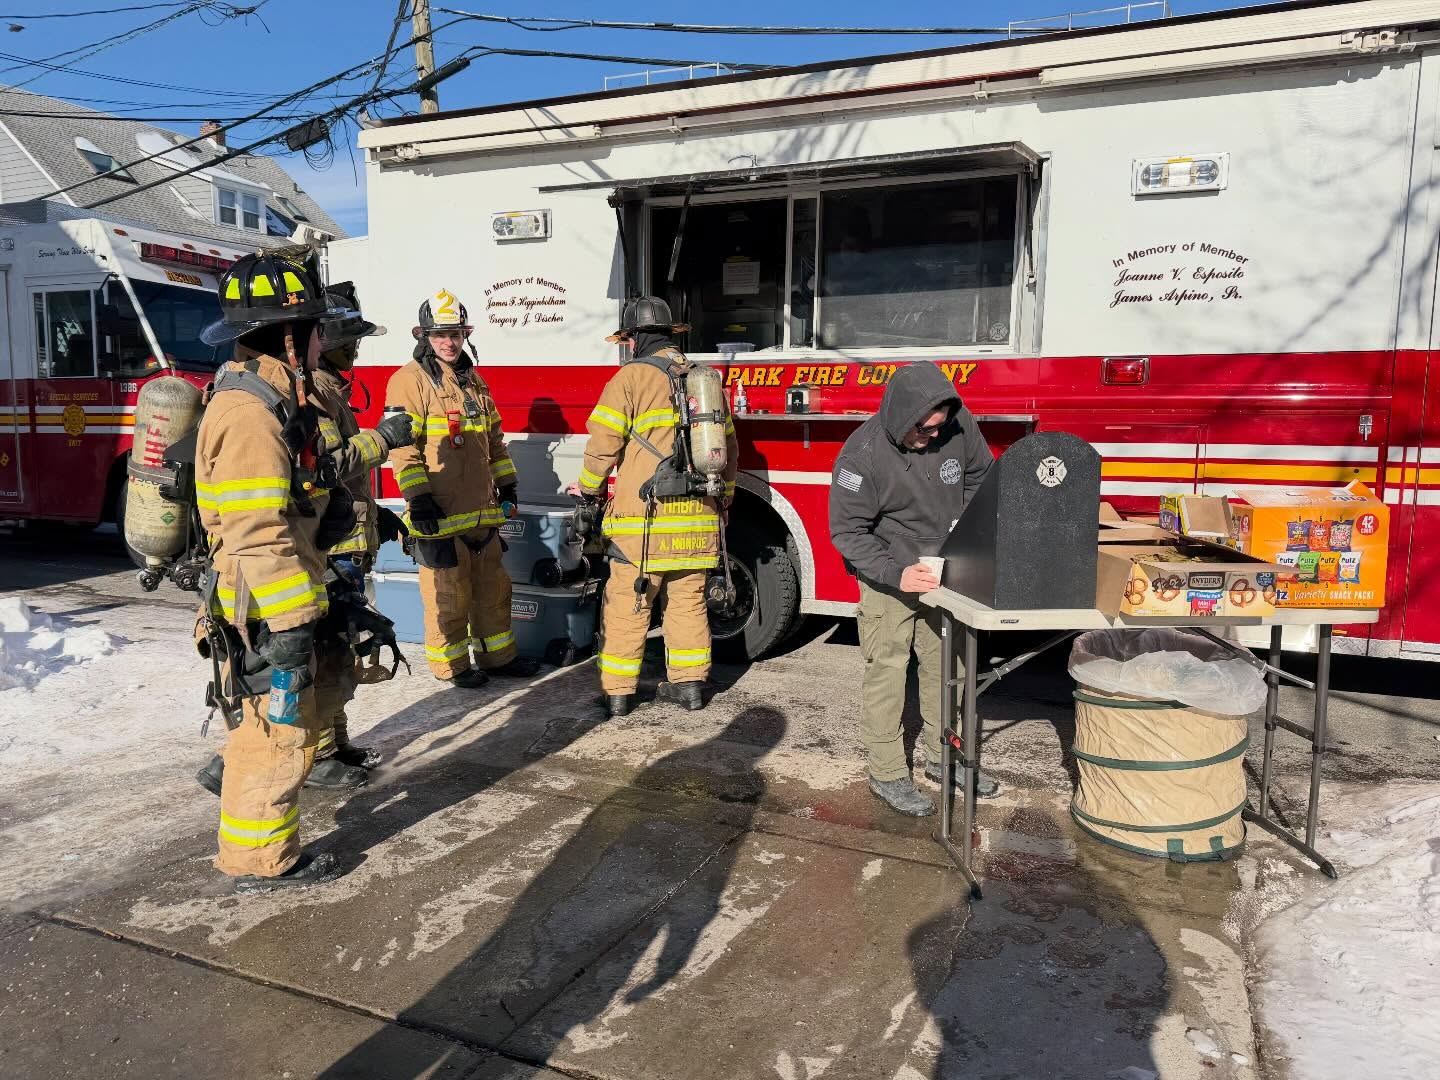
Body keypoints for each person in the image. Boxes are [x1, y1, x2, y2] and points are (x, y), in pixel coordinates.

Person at [192, 252, 404, 892]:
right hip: (265, 607)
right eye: (317, 326)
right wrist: (288, 622)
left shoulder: (285, 396)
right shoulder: (251, 413)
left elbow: (309, 486)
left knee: (295, 721)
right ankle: (257, 861)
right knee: (273, 735)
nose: (326, 338)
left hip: (293, 593)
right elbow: (256, 530)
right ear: (290, 336)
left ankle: (248, 808)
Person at [827, 360, 998, 817]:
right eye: (923, 431)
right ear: (902, 417)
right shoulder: (861, 457)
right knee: (887, 667)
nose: (932, 439)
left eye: (939, 429)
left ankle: (944, 758)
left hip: (944, 569)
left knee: (947, 666)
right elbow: (847, 532)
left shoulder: (958, 426)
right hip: (891, 576)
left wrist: (966, 524)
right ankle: (885, 772)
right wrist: (893, 571)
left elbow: (982, 476)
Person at [572, 295, 739, 717]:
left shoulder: (630, 380)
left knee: (631, 602)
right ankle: (690, 688)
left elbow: (603, 444)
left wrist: (590, 494)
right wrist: (726, 498)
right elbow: (729, 448)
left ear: (634, 339)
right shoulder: (704, 379)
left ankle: (619, 694)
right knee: (688, 602)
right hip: (700, 518)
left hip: (643, 523)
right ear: (670, 335)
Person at [384, 289, 540, 687]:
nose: (450, 342)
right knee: (449, 599)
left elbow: (495, 442)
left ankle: (498, 659)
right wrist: (418, 500)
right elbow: (403, 448)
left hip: (482, 512)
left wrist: (508, 488)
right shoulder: (408, 381)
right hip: (438, 514)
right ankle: (452, 667)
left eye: (455, 334)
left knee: (493, 593)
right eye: (441, 335)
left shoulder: (474, 381)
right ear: (424, 336)